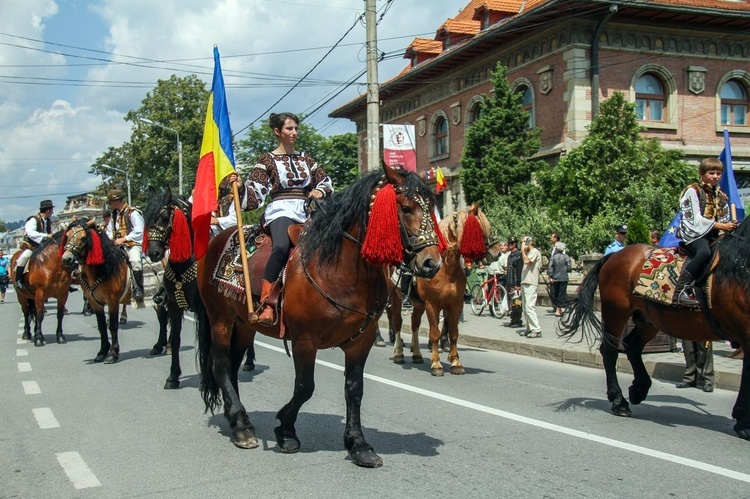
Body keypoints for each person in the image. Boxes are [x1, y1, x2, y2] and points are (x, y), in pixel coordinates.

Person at [231, 112, 333, 325]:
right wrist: (240, 187)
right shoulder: (266, 160)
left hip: (307, 210)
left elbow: (325, 181)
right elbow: (254, 195)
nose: (294, 132)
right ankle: (268, 303)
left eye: (296, 128)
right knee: (280, 247)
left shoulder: (306, 159)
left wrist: (319, 192)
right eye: (289, 128)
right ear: (277, 132)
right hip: (280, 209)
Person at [675, 157, 738, 306]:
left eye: (718, 173)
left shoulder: (722, 196)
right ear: (701, 174)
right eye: (711, 173)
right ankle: (681, 290)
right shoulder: (693, 191)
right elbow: (694, 219)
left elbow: (724, 218)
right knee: (704, 252)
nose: (715, 176)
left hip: (715, 235)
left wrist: (731, 225)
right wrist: (721, 226)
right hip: (694, 234)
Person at [107, 189, 145, 302]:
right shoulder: (113, 215)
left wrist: (124, 239)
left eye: (110, 201)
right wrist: (110, 239)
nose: (109, 204)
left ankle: (138, 288)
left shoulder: (132, 213)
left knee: (135, 260)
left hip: (132, 244)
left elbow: (140, 230)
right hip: (117, 245)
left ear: (117, 200)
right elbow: (109, 231)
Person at [15, 199, 54, 290]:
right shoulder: (33, 220)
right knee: (23, 258)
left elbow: (50, 234)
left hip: (44, 247)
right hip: (32, 247)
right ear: (48, 211)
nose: (52, 212)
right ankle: (18, 280)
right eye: (52, 210)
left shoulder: (48, 221)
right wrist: (46, 236)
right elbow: (31, 233)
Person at [520, 235, 542, 338]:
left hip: (531, 283)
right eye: (522, 242)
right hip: (525, 282)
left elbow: (527, 261)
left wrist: (523, 251)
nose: (523, 244)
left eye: (525, 241)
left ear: (530, 241)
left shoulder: (534, 252)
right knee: (525, 308)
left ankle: (536, 329)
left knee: (529, 307)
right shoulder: (528, 253)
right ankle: (529, 328)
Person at [547, 241, 571, 317]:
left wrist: (550, 276)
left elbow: (550, 267)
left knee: (556, 293)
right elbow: (569, 267)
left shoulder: (553, 257)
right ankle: (560, 308)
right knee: (562, 293)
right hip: (564, 277)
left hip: (555, 278)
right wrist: (565, 270)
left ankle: (558, 309)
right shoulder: (566, 257)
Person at [505, 237, 524, 328]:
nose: (508, 245)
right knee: (511, 302)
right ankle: (513, 319)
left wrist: (518, 284)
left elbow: (519, 270)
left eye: (509, 244)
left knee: (517, 302)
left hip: (515, 283)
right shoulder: (510, 255)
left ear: (514, 245)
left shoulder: (518, 255)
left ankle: (517, 320)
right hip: (509, 282)